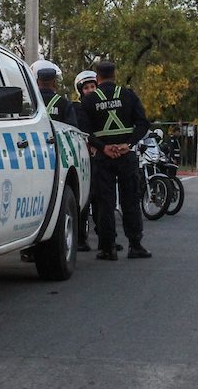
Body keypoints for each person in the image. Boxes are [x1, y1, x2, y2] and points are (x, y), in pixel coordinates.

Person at [78, 60, 152, 260]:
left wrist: (103, 147)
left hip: (103, 158)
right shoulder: (128, 95)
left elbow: (84, 131)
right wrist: (128, 143)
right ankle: (135, 245)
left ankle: (108, 248)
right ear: (114, 74)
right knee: (130, 201)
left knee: (105, 203)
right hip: (126, 155)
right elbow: (143, 123)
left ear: (97, 76)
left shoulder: (89, 101)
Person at [72, 70, 98, 252]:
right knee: (84, 199)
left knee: (102, 201)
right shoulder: (76, 108)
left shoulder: (103, 107)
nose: (90, 90)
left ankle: (105, 239)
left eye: (93, 86)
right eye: (86, 88)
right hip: (83, 158)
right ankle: (80, 239)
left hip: (99, 157)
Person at [31, 60, 76, 127]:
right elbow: (72, 129)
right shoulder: (64, 104)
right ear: (54, 82)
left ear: (36, 81)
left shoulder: (29, 103)